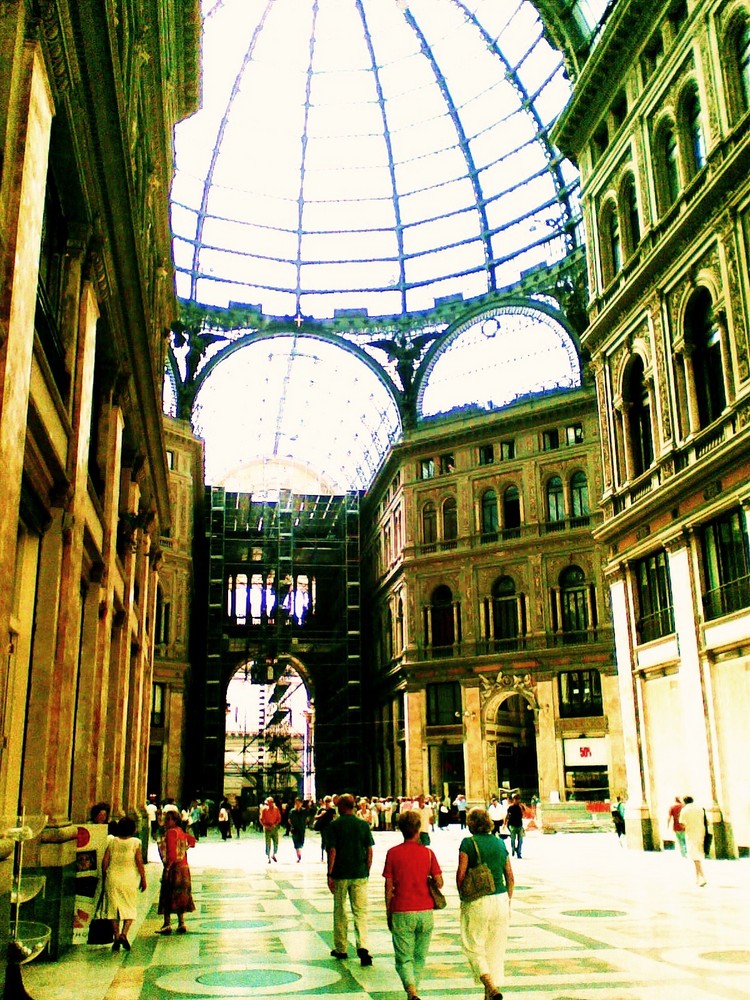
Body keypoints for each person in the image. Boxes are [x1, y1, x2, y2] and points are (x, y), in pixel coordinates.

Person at [382, 809, 443, 1000]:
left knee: (403, 958)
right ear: (418, 829)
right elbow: (439, 882)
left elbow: (388, 886)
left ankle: (411, 990)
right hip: (425, 911)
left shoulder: (393, 853)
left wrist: (388, 910)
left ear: (401, 829)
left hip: (401, 909)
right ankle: (414, 990)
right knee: (419, 956)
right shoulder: (428, 853)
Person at [456, 806, 514, 1000]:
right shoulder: (499, 843)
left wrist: (462, 896)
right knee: (496, 950)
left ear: (471, 824)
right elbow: (510, 877)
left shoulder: (468, 843)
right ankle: (489, 995)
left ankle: (490, 986)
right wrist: (508, 900)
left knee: (472, 945)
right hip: (501, 900)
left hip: (478, 900)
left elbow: (461, 875)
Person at [326, 792, 375, 966]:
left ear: (340, 806)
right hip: (359, 873)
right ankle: (363, 946)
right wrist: (366, 870)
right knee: (360, 912)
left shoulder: (334, 825)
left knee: (340, 910)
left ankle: (341, 948)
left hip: (340, 873)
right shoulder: (362, 825)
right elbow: (369, 850)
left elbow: (332, 851)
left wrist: (329, 874)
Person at [101, 816, 147, 952]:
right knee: (129, 906)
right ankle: (124, 934)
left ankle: (116, 936)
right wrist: (143, 878)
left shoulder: (112, 841)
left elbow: (105, 861)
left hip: (113, 878)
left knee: (113, 908)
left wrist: (105, 875)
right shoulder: (135, 842)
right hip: (129, 879)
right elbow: (139, 862)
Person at [156, 810, 196, 934]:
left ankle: (167, 924)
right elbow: (192, 841)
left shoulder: (170, 833)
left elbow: (171, 853)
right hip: (184, 867)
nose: (166, 822)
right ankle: (181, 923)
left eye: (168, 820)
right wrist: (184, 848)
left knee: (168, 894)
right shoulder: (180, 831)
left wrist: (168, 868)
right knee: (180, 895)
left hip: (174, 868)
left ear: (175, 820)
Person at [680, 795, 709, 886]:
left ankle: (702, 877)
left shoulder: (684, 810)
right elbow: (706, 821)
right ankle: (697, 878)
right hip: (702, 833)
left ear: (684, 802)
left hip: (691, 834)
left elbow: (682, 824)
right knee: (697, 855)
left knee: (695, 857)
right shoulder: (700, 808)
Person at [313, 795, 336, 860]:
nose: (327, 803)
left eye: (328, 801)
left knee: (330, 841)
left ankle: (328, 854)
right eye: (326, 801)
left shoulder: (332, 810)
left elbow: (334, 818)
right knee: (324, 840)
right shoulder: (321, 809)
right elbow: (315, 817)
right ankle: (322, 855)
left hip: (330, 827)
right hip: (323, 827)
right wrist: (321, 815)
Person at [260, 795, 282, 862]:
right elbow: (261, 819)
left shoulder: (276, 809)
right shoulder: (264, 809)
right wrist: (265, 826)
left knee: (276, 842)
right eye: (268, 802)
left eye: (271, 802)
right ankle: (268, 856)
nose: (270, 803)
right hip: (267, 828)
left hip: (274, 827)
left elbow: (279, 818)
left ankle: (274, 854)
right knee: (268, 843)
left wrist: (275, 824)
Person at [505, 794, 524, 858]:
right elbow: (507, 816)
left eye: (518, 799)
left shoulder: (520, 807)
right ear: (513, 800)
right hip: (512, 825)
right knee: (513, 839)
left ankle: (519, 853)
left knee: (520, 840)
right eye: (516, 799)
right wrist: (504, 824)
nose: (517, 801)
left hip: (519, 825)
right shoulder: (511, 807)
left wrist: (521, 807)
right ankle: (513, 848)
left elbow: (523, 814)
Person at [289, 797, 308, 862]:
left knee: (301, 842)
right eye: (296, 803)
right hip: (295, 829)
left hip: (302, 829)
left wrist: (305, 825)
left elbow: (306, 819)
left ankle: (299, 851)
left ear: (301, 804)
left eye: (299, 803)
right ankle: (298, 855)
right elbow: (289, 820)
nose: (297, 804)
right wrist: (291, 826)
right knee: (296, 843)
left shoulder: (304, 811)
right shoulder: (292, 811)